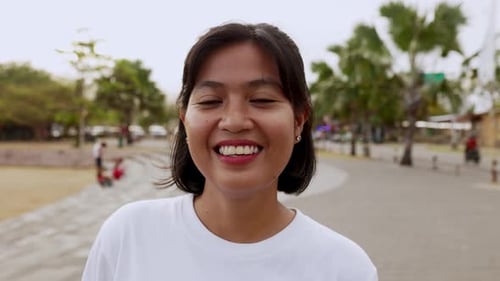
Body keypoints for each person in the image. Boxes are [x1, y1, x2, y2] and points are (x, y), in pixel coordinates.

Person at [82, 22, 377, 281]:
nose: (234, 122)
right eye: (211, 101)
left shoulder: (344, 268)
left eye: (261, 99)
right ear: (185, 120)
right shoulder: (129, 235)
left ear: (299, 119)